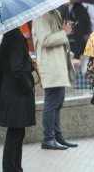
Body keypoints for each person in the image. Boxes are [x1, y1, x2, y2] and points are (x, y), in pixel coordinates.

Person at [32, 9, 77, 150]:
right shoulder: (41, 14)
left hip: (58, 63)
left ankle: (57, 136)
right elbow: (45, 40)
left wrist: (65, 27)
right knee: (51, 102)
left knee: (58, 100)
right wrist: (64, 32)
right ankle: (48, 138)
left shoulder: (55, 12)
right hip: (50, 64)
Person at [0, 28, 36, 172]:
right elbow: (16, 68)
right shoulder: (15, 36)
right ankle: (11, 168)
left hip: (10, 92)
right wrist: (28, 86)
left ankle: (15, 168)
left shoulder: (10, 34)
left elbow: (11, 62)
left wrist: (30, 65)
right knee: (15, 135)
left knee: (17, 133)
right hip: (16, 93)